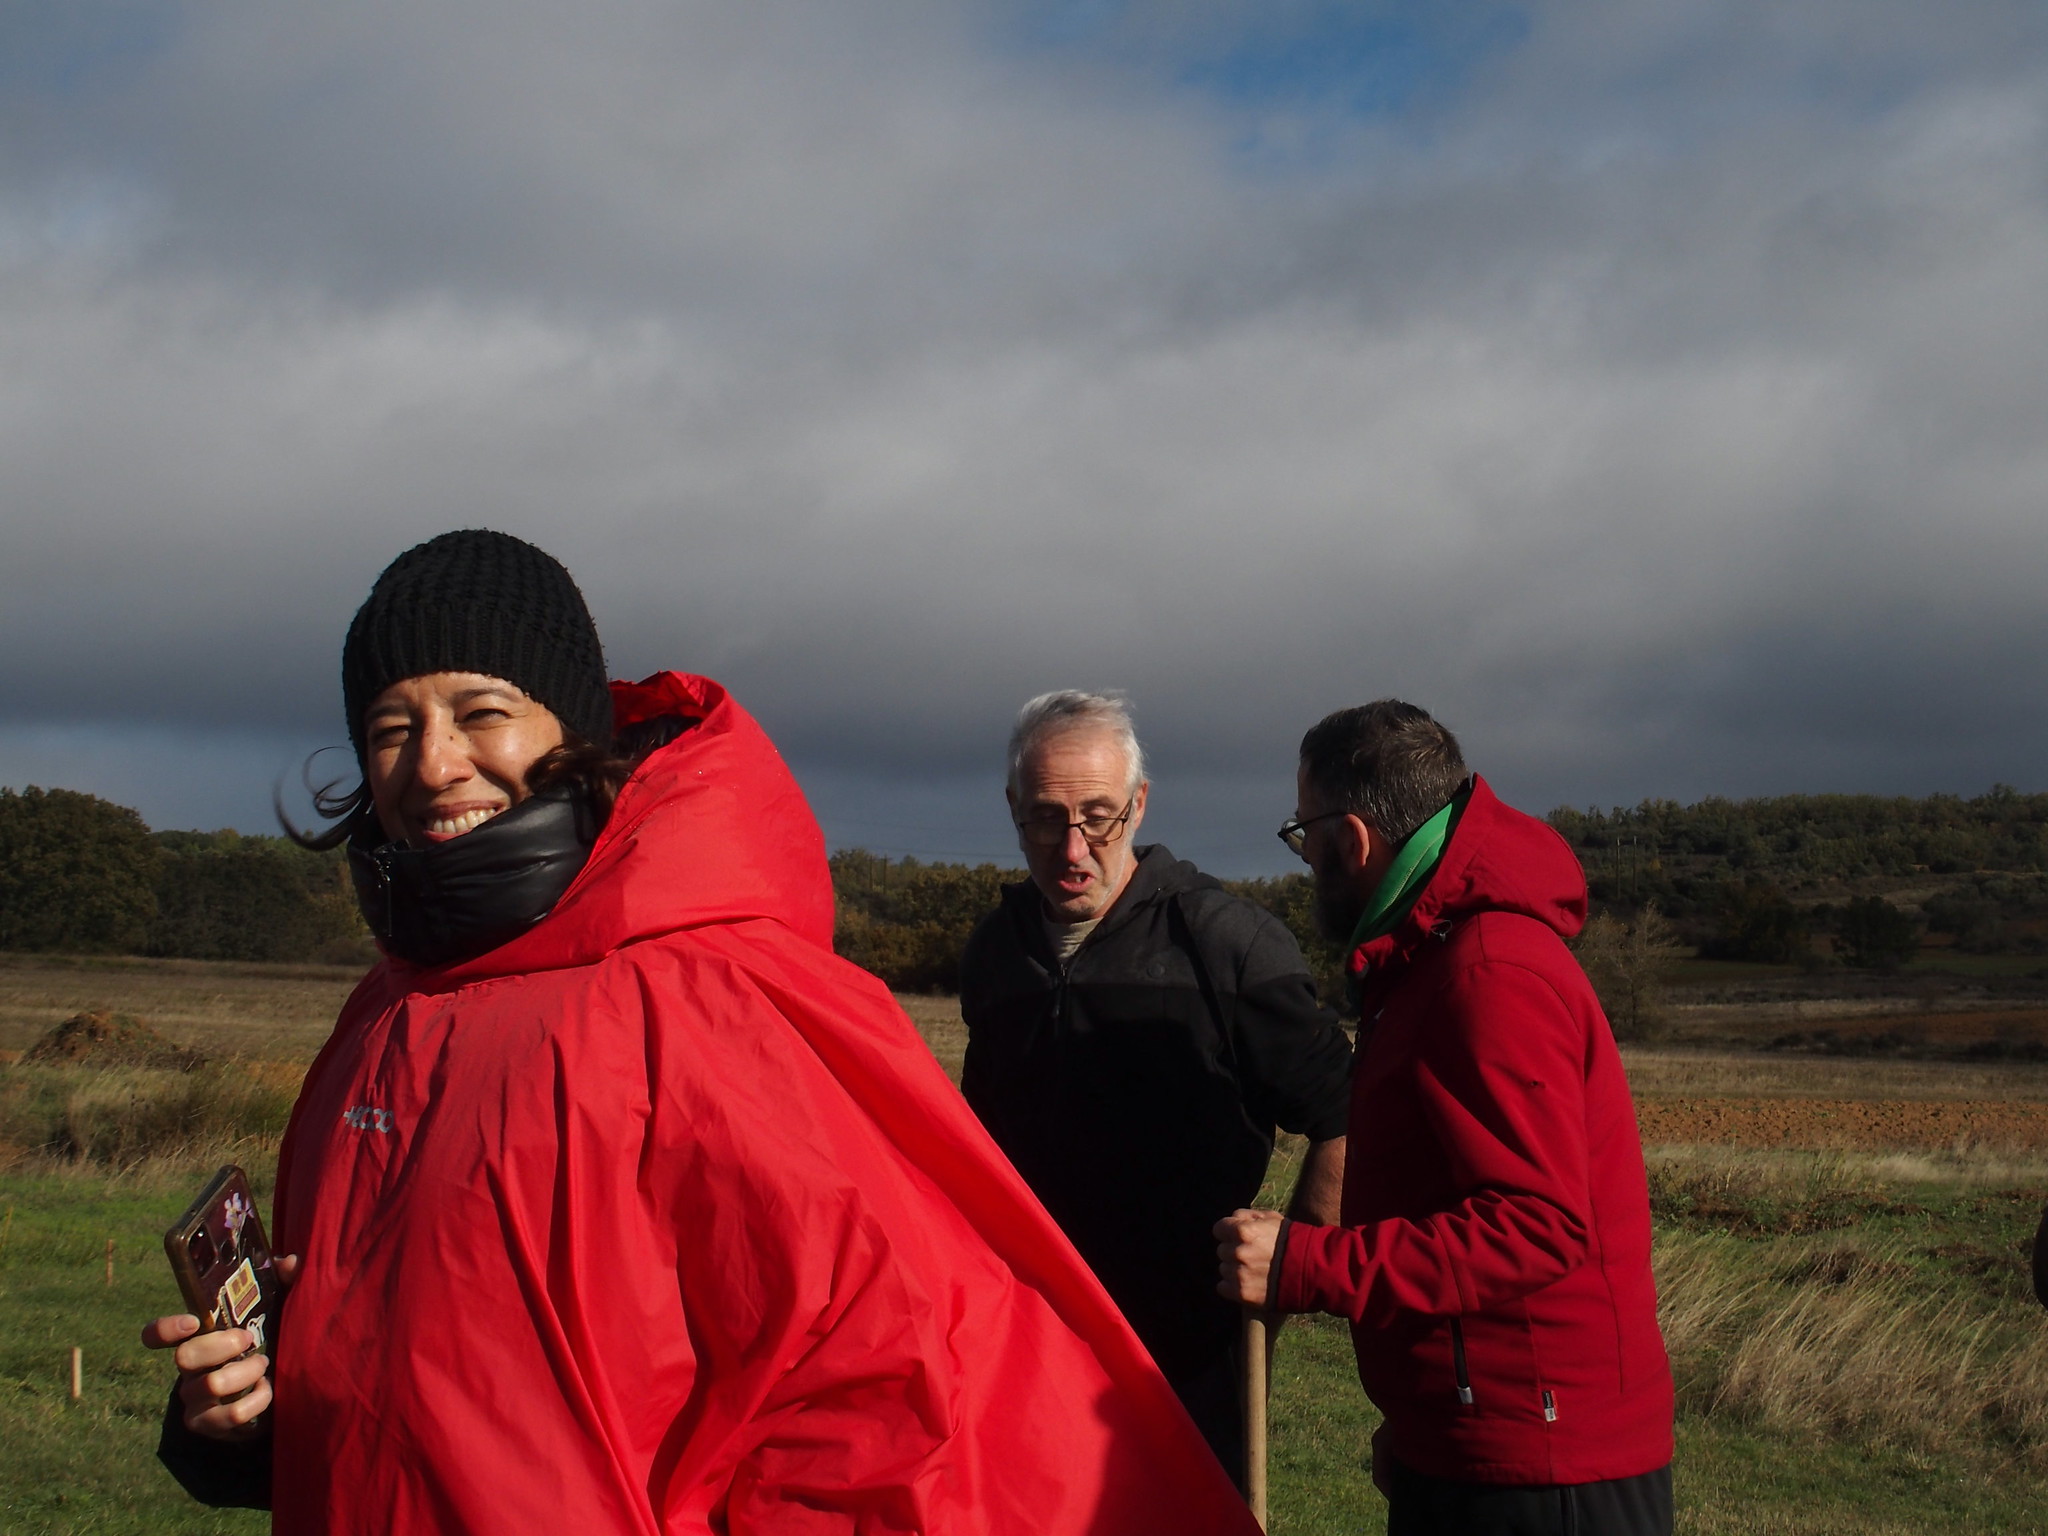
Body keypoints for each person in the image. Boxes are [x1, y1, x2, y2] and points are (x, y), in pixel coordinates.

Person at [142, 531, 1260, 1536]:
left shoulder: (699, 998)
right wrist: (252, 1412)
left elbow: (881, 1391)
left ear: (570, 733)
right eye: (391, 727)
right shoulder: (381, 1014)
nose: (432, 764)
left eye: (481, 713)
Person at [1214, 700, 1675, 1536]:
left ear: (1352, 840)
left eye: (1304, 832)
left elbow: (1536, 1226)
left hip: (1543, 1469)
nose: (1305, 856)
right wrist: (1430, 1422)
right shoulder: (1429, 958)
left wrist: (1308, 1266)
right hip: (1487, 1438)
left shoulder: (1487, 972)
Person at [959, 690, 1354, 1486]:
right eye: (1044, 817)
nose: (1072, 849)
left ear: (1139, 805)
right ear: (1012, 808)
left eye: (1098, 816)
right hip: (1027, 1343)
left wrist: (1293, 1268)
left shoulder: (1230, 947)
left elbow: (1349, 1113)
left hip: (1190, 1363)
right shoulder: (994, 955)